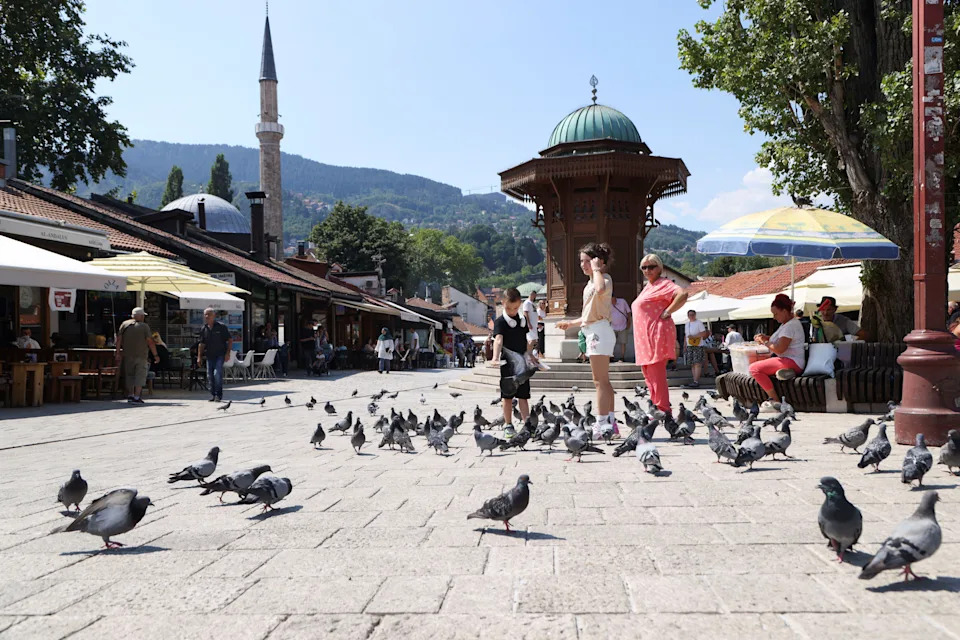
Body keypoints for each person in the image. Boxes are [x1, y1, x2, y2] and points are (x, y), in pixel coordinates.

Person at [556, 242, 617, 433]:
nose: (583, 265)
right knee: (603, 381)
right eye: (581, 261)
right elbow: (589, 313)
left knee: (599, 381)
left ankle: (601, 423)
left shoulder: (604, 279)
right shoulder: (590, 282)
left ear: (598, 261)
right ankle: (611, 424)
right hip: (594, 329)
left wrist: (598, 269)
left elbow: (600, 290)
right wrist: (572, 324)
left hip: (599, 331)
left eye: (587, 261)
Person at [632, 254, 688, 416]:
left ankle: (663, 409)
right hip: (644, 337)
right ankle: (656, 407)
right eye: (644, 267)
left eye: (652, 266)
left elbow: (683, 294)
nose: (647, 270)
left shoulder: (664, 283)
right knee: (648, 374)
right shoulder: (648, 286)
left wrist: (668, 311)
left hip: (656, 333)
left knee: (657, 374)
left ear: (660, 268)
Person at [749, 294, 806, 412]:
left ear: (784, 311)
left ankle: (775, 400)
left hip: (791, 361)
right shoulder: (787, 324)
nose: (774, 317)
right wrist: (767, 338)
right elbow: (781, 341)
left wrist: (765, 342)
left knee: (754, 369)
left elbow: (780, 349)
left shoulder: (790, 326)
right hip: (790, 360)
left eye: (775, 314)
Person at [489, 287, 531, 429]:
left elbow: (526, 341)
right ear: (503, 303)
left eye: (516, 308)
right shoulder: (500, 322)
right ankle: (508, 424)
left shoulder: (522, 321)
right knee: (507, 397)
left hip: (522, 365)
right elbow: (498, 340)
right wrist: (495, 357)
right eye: (509, 308)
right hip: (508, 365)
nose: (513, 311)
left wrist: (531, 355)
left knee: (523, 397)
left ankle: (527, 425)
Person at [116, 307, 158, 404]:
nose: (143, 317)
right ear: (141, 316)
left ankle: (130, 395)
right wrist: (155, 355)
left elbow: (118, 339)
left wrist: (118, 353)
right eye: (143, 315)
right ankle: (137, 396)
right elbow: (150, 342)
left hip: (127, 355)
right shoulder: (144, 327)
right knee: (140, 375)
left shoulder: (124, 325)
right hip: (141, 355)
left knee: (129, 375)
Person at [197, 308, 232, 403]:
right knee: (210, 376)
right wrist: (199, 357)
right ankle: (213, 394)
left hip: (220, 354)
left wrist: (228, 353)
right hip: (209, 355)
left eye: (209, 314)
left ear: (214, 316)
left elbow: (229, 340)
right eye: (205, 315)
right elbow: (201, 343)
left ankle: (218, 395)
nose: (207, 316)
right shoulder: (204, 328)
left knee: (217, 374)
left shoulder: (221, 327)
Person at [682, 310, 710, 389]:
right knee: (692, 364)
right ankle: (694, 380)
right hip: (689, 345)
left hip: (698, 345)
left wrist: (694, 336)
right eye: (690, 315)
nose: (691, 316)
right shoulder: (687, 324)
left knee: (697, 363)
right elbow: (686, 335)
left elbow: (704, 333)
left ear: (695, 315)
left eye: (692, 315)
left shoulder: (699, 323)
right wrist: (685, 345)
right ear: (688, 316)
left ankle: (696, 381)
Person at [610, 295, 632, 362]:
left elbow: (628, 312)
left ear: (615, 298)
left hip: (623, 325)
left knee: (623, 342)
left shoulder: (622, 301)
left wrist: (629, 322)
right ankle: (611, 356)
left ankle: (622, 357)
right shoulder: (607, 303)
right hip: (612, 326)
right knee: (611, 342)